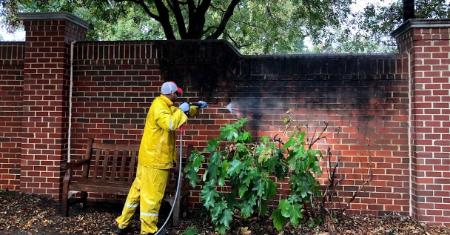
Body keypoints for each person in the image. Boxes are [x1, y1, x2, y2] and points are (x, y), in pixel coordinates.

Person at [114, 81, 207, 234]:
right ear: (170, 93)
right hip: (156, 161)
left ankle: (122, 223)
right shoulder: (159, 107)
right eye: (177, 93)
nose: (178, 96)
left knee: (136, 192)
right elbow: (170, 123)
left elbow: (177, 113)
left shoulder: (164, 105)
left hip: (149, 159)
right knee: (152, 197)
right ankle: (149, 231)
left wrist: (195, 107)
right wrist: (181, 111)